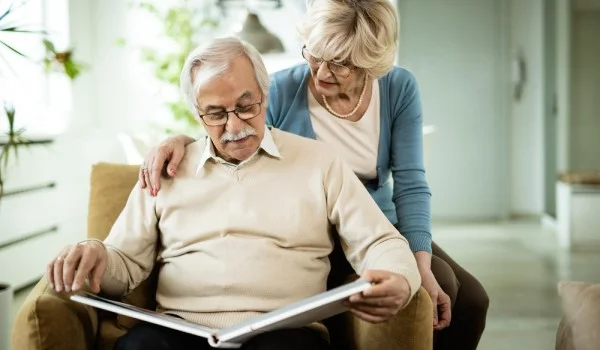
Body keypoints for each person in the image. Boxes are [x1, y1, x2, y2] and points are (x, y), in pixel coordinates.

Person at [140, 0, 490, 349]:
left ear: (370, 61)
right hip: (314, 227)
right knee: (436, 286)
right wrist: (181, 140)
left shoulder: (398, 88)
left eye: (340, 64)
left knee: (472, 300)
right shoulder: (279, 90)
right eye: (315, 55)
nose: (321, 73)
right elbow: (230, 136)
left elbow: (411, 184)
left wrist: (420, 264)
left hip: (375, 223)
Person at [46, 37, 423, 350]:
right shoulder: (166, 170)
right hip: (179, 330)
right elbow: (124, 264)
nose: (234, 126)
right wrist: (96, 254)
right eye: (216, 113)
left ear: (265, 93)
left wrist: (398, 278)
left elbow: (380, 241)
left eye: (246, 106)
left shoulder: (320, 162)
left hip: (282, 332)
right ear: (197, 112)